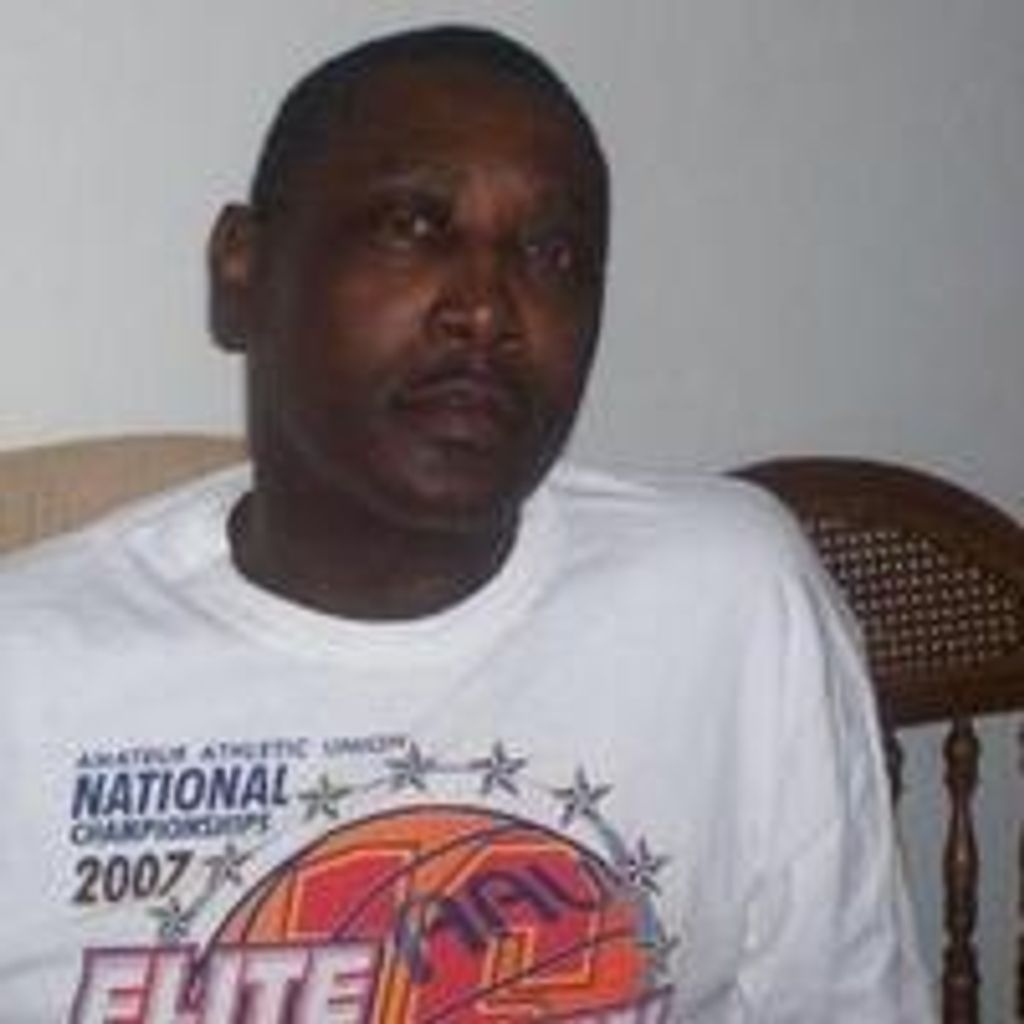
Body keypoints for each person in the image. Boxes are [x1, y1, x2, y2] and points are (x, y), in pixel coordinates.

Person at [0, 24, 932, 1022]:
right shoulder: (33, 675)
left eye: (553, 253)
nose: (487, 309)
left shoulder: (728, 601)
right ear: (244, 268)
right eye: (412, 225)